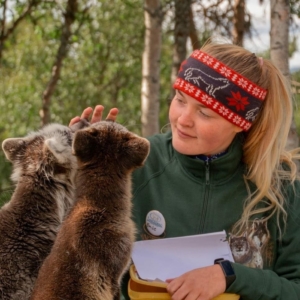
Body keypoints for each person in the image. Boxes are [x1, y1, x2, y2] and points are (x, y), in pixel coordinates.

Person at [70, 41, 300, 300]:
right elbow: (74, 258)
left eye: (204, 113)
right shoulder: (136, 164)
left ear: (241, 123)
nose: (183, 119)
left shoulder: (282, 188)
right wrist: (89, 171)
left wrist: (230, 276)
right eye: (180, 100)